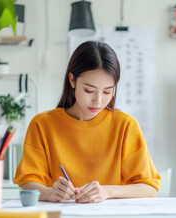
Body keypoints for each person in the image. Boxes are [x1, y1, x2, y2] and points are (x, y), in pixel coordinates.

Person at [13, 41, 161, 203]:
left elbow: (149, 188)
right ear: (72, 80)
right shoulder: (42, 124)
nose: (98, 101)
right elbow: (28, 181)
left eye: (107, 91)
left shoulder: (125, 125)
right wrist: (49, 192)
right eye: (89, 90)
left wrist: (106, 191)